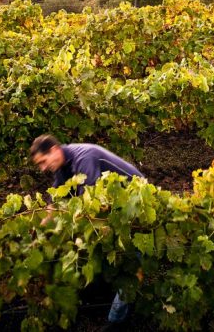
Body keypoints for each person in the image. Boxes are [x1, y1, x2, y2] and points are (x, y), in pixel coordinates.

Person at [30, 134, 144, 324]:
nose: (42, 168)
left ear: (54, 150)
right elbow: (56, 201)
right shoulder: (62, 165)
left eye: (43, 161)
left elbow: (90, 205)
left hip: (136, 204)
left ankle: (116, 321)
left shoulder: (84, 158)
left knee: (132, 264)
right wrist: (41, 230)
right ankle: (102, 294)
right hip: (115, 207)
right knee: (104, 250)